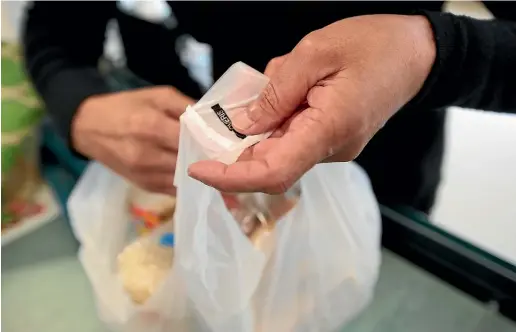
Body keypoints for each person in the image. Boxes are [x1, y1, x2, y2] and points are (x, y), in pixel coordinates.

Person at [23, 2, 515, 214]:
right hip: (209, 179)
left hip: (383, 179)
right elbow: (56, 29)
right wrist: (81, 108)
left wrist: (427, 52)